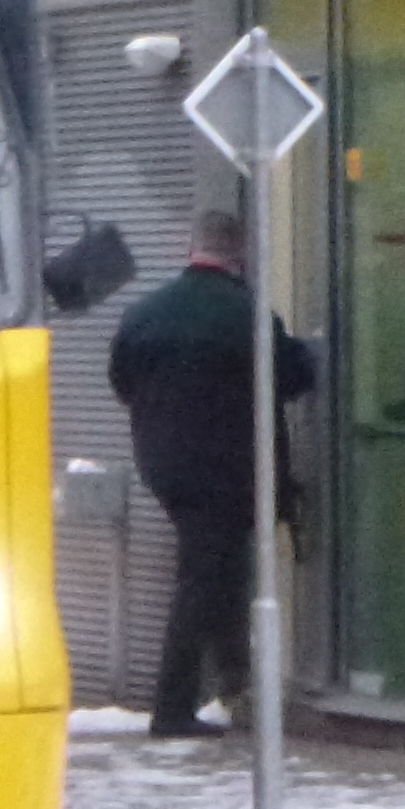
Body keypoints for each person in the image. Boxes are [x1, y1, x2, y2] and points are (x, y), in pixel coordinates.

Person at [105, 207, 314, 738]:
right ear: (239, 254)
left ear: (189, 247)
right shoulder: (247, 314)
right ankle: (172, 710)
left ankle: (234, 684)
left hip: (164, 468)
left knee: (220, 570)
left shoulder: (144, 314)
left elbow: (122, 383)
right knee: (202, 579)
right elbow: (291, 379)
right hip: (227, 472)